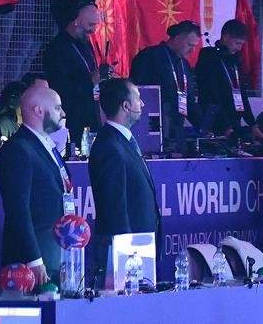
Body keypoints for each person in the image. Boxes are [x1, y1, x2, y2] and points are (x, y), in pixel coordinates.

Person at [0, 84, 69, 284]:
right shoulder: (18, 149)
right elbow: (18, 210)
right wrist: (34, 259)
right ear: (38, 110)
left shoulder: (47, 145)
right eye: (57, 108)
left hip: (56, 257)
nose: (63, 113)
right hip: (30, 267)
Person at [88, 78, 157, 283]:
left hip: (138, 247)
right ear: (125, 106)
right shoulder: (109, 145)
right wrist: (129, 255)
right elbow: (114, 206)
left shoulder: (123, 142)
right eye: (138, 99)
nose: (142, 104)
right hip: (126, 255)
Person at [129, 21, 203, 153]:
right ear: (177, 37)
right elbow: (137, 93)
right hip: (151, 131)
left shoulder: (184, 64)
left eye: (195, 46)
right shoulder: (149, 57)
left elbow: (189, 102)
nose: (192, 51)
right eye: (189, 45)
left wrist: (204, 126)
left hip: (177, 132)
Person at [41, 1, 101, 149]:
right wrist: (90, 81)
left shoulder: (85, 43)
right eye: (90, 26)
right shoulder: (57, 48)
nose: (93, 31)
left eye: (95, 25)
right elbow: (59, 88)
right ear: (76, 21)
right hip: (70, 119)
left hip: (91, 116)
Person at [195, 19, 254, 139]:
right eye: (237, 43)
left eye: (241, 44)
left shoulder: (235, 61)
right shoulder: (209, 57)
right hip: (215, 123)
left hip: (234, 122)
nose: (239, 48)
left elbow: (242, 94)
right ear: (226, 38)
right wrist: (224, 126)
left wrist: (252, 123)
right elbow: (210, 95)